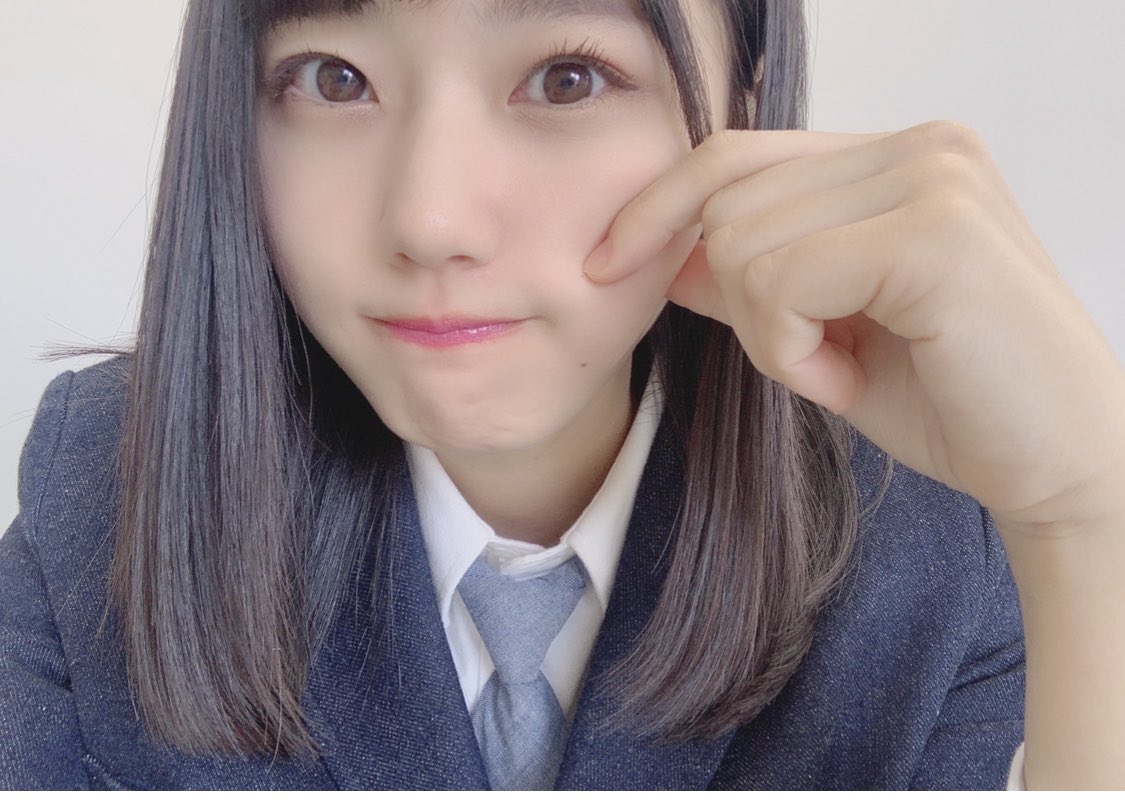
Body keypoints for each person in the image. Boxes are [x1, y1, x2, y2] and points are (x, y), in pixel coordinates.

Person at [1, 0, 1122, 790]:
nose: (430, 219)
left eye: (566, 77)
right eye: (334, 77)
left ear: (740, 116)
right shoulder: (98, 490)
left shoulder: (935, 529)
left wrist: (1085, 521)